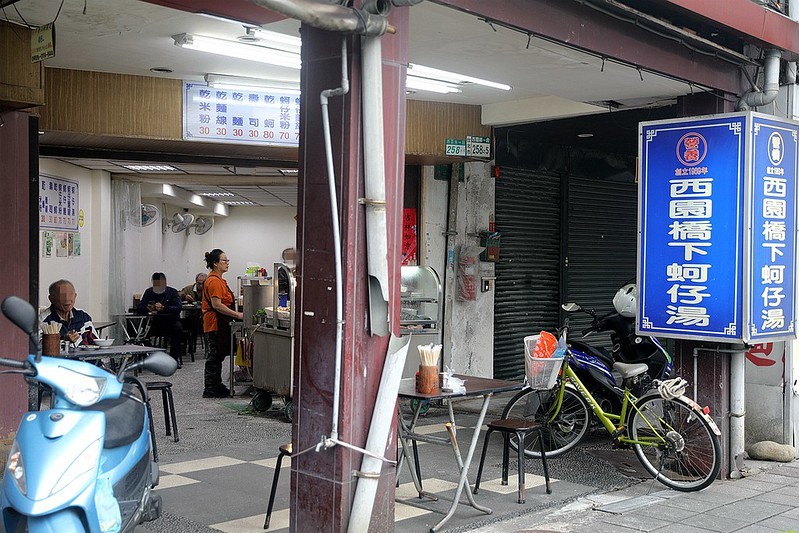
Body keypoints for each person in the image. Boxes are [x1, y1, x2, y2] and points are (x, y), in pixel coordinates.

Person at [202, 249, 243, 398]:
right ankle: (210, 387)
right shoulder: (213, 281)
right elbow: (217, 304)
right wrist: (237, 315)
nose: (227, 263)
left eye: (227, 260)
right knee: (214, 355)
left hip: (219, 322)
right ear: (215, 263)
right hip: (215, 323)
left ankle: (216, 384)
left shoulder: (219, 280)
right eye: (224, 260)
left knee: (218, 355)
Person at [136, 272, 184, 368]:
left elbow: (178, 308)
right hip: (154, 322)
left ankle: (174, 359)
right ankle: (153, 357)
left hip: (171, 322)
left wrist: (164, 308)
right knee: (139, 333)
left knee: (177, 329)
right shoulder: (149, 292)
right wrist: (147, 308)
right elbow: (140, 307)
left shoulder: (172, 292)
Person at [41, 279, 98, 346]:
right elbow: (37, 347)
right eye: (62, 295)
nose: (67, 299)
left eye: (71, 294)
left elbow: (96, 342)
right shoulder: (43, 320)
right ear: (51, 299)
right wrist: (63, 340)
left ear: (75, 296)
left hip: (83, 356)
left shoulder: (83, 316)